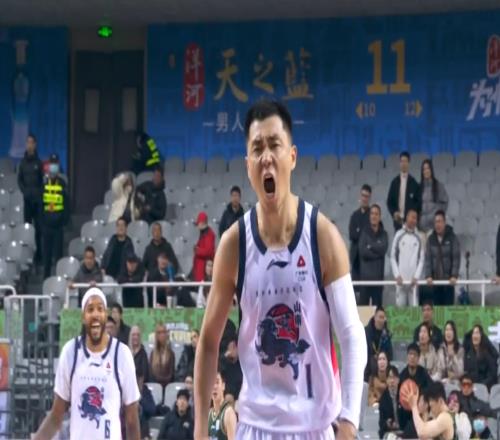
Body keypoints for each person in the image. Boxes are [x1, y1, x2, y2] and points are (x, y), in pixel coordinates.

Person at [194, 100, 367, 440]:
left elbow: (351, 334)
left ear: (292, 156)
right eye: (257, 148)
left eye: (275, 145)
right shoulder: (233, 244)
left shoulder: (323, 236)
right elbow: (209, 342)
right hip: (254, 427)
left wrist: (349, 420)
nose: (266, 157)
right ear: (248, 165)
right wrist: (200, 430)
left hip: (313, 427)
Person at [33, 288, 140, 440]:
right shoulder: (70, 352)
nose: (95, 314)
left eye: (100, 309)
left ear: (105, 315)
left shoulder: (122, 354)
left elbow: (132, 419)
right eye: (90, 310)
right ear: (83, 317)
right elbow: (56, 417)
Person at [41, 153, 69, 278]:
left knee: (58, 256)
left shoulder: (62, 183)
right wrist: (42, 222)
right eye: (51, 164)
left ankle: (58, 280)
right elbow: (41, 205)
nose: (53, 166)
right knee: (47, 256)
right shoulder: (44, 184)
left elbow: (66, 204)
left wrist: (63, 221)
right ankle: (46, 280)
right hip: (47, 226)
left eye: (55, 164)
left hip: (58, 226)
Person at [425, 210, 461, 306]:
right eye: (435, 222)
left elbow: (456, 258)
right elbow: (428, 259)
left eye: (439, 221)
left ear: (445, 222)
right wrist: (428, 275)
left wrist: (454, 275)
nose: (437, 224)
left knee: (448, 310)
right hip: (435, 283)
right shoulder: (430, 239)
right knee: (437, 311)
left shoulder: (452, 238)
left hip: (449, 283)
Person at [390, 208, 425, 307]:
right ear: (407, 218)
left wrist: (416, 277)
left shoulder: (419, 237)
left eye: (416, 218)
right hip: (400, 281)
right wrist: (397, 275)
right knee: (400, 310)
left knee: (414, 310)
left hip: (413, 283)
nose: (414, 220)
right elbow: (392, 257)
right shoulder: (399, 235)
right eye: (412, 217)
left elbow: (421, 259)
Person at [17, 134, 43, 263]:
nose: (29, 145)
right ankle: (27, 257)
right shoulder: (22, 163)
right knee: (26, 229)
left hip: (37, 202)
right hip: (27, 200)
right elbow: (19, 180)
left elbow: (42, 181)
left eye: (32, 142)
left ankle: (39, 255)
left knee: (38, 229)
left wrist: (38, 193)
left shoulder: (39, 163)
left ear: (35, 144)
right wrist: (25, 191)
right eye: (28, 142)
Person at [358, 204, 388, 306]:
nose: (374, 216)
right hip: (365, 281)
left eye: (376, 214)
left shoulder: (384, 234)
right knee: (363, 311)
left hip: (378, 281)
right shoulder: (364, 233)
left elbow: (383, 249)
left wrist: (370, 246)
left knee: (378, 311)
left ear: (379, 216)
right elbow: (363, 252)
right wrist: (377, 254)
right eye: (372, 214)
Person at [397, 343, 432, 431]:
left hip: (421, 413)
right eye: (410, 354)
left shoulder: (424, 374)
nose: (412, 357)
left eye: (415, 355)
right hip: (405, 414)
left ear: (418, 358)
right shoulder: (402, 376)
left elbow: (431, 390)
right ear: (407, 356)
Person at [386, 151, 421, 231]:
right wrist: (394, 212)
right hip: (398, 222)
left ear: (408, 163)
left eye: (405, 161)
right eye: (402, 161)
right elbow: (389, 202)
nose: (403, 164)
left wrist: (411, 216)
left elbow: (418, 203)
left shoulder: (414, 183)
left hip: (410, 223)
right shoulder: (394, 182)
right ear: (399, 163)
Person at [348, 184, 371, 284]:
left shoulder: (372, 215)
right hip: (355, 258)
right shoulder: (354, 215)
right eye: (363, 195)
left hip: (368, 259)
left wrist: (359, 231)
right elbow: (352, 235)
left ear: (369, 198)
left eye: (366, 196)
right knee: (355, 287)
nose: (364, 199)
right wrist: (363, 232)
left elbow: (370, 236)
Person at [463, 325, 498, 390]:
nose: (475, 336)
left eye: (477, 333)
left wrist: (481, 385)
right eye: (473, 333)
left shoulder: (487, 354)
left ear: (481, 336)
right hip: (470, 387)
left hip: (484, 387)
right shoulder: (469, 354)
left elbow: (492, 375)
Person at [419, 159, 449, 233]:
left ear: (431, 170)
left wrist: (436, 217)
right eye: (424, 169)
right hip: (420, 228)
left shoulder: (438, 186)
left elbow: (444, 203)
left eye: (428, 168)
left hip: (434, 228)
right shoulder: (418, 188)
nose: (426, 171)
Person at [364, 306, 393, 381]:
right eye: (379, 317)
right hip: (368, 370)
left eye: (383, 318)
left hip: (383, 372)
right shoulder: (365, 333)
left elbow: (390, 354)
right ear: (375, 317)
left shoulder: (386, 334)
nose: (381, 320)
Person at [208, 369, 238, 440]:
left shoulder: (228, 413)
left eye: (217, 382)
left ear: (223, 386)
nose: (214, 386)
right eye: (211, 383)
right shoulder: (209, 413)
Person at [149, 324, 175, 395]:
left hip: (167, 388)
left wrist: (162, 382)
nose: (162, 335)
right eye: (159, 333)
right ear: (156, 336)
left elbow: (171, 375)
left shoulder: (171, 354)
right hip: (156, 388)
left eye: (164, 332)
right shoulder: (153, 354)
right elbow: (151, 374)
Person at [437, 320, 464, 385]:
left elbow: (460, 371)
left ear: (454, 332)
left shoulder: (460, 349)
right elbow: (439, 371)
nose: (448, 332)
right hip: (443, 382)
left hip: (456, 382)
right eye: (446, 330)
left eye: (450, 330)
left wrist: (454, 356)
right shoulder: (441, 349)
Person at [191, 211, 215, 282]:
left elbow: (209, 251)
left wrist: (197, 250)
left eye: (198, 223)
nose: (197, 226)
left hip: (203, 269)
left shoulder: (209, 234)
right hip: (200, 268)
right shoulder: (204, 233)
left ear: (202, 223)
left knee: (201, 287)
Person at [378, 366, 401, 439]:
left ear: (398, 380)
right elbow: (381, 423)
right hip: (389, 432)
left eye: (394, 377)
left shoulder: (403, 395)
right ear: (386, 380)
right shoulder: (383, 399)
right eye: (390, 378)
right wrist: (387, 423)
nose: (392, 381)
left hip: (403, 431)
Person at [219, 337, 243, 404]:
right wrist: (225, 355)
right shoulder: (225, 363)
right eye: (230, 348)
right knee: (228, 398)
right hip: (228, 392)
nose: (232, 350)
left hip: (240, 393)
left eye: (234, 347)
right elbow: (218, 367)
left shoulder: (241, 364)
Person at [129, 325, 149, 389]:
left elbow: (144, 373)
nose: (136, 337)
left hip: (139, 386)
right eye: (134, 335)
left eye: (138, 335)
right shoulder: (126, 351)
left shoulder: (143, 353)